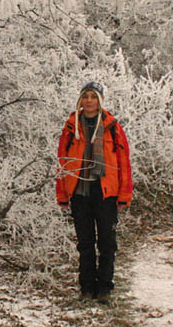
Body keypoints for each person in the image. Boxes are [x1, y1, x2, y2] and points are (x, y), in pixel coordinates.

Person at [56, 81, 133, 303]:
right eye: (86, 96)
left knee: (107, 241)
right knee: (85, 242)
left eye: (94, 96)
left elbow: (123, 162)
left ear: (100, 101)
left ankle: (105, 288)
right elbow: (63, 161)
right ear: (81, 100)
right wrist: (62, 194)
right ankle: (87, 287)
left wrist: (124, 194)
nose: (89, 101)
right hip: (80, 191)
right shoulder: (72, 126)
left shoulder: (112, 127)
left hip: (106, 191)